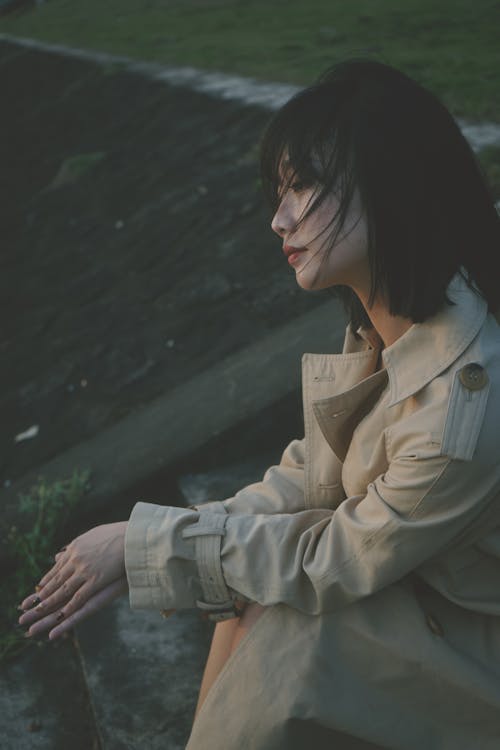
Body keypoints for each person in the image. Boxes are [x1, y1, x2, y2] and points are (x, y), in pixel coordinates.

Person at [18, 60, 500, 748]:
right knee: (247, 596)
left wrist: (146, 547)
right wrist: (147, 541)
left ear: (391, 186)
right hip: (423, 587)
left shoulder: (462, 405)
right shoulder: (393, 315)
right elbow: (311, 477)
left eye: (302, 188)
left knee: (281, 638)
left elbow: (333, 554)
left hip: (476, 645)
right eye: (280, 191)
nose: (279, 219)